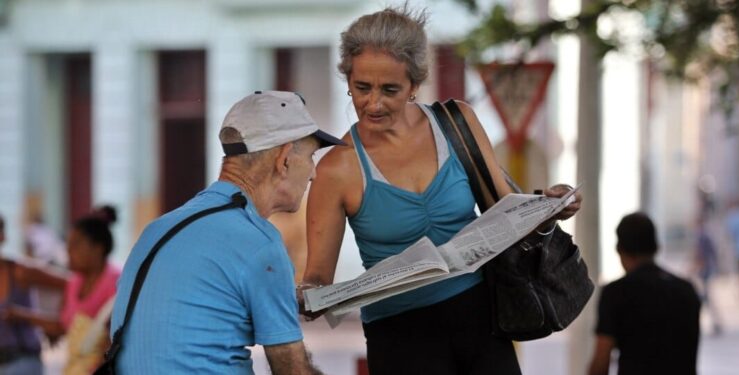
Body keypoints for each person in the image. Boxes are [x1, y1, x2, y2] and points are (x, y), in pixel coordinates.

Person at [298, 6, 582, 374]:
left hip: (481, 318)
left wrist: (548, 208)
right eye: (361, 88)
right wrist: (306, 296)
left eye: (390, 89)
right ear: (347, 80)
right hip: (399, 334)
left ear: (415, 86)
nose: (373, 103)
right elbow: (317, 277)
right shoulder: (336, 167)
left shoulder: (456, 123)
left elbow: (505, 205)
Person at [109, 90, 345, 374]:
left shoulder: (159, 228)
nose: (313, 173)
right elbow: (292, 370)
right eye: (310, 157)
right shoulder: (258, 243)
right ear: (283, 159)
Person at [5, 210, 121, 375]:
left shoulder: (117, 283)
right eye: (68, 244)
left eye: (76, 244)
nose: (68, 250)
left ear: (98, 248)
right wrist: (21, 315)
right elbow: (63, 325)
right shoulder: (74, 283)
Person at [588, 212, 701, 375]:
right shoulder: (687, 290)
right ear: (656, 247)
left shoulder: (616, 293)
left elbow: (601, 363)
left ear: (620, 250)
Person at [0, 214, 44, 375]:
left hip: (20, 361)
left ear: (2, 236)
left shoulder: (20, 271)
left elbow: (71, 283)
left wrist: (55, 326)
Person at [693, 215, 723, 335]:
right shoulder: (705, 235)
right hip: (707, 269)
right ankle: (715, 322)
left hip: (705, 269)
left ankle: (715, 322)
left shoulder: (701, 236)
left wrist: (696, 267)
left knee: (706, 298)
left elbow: (700, 254)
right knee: (707, 298)